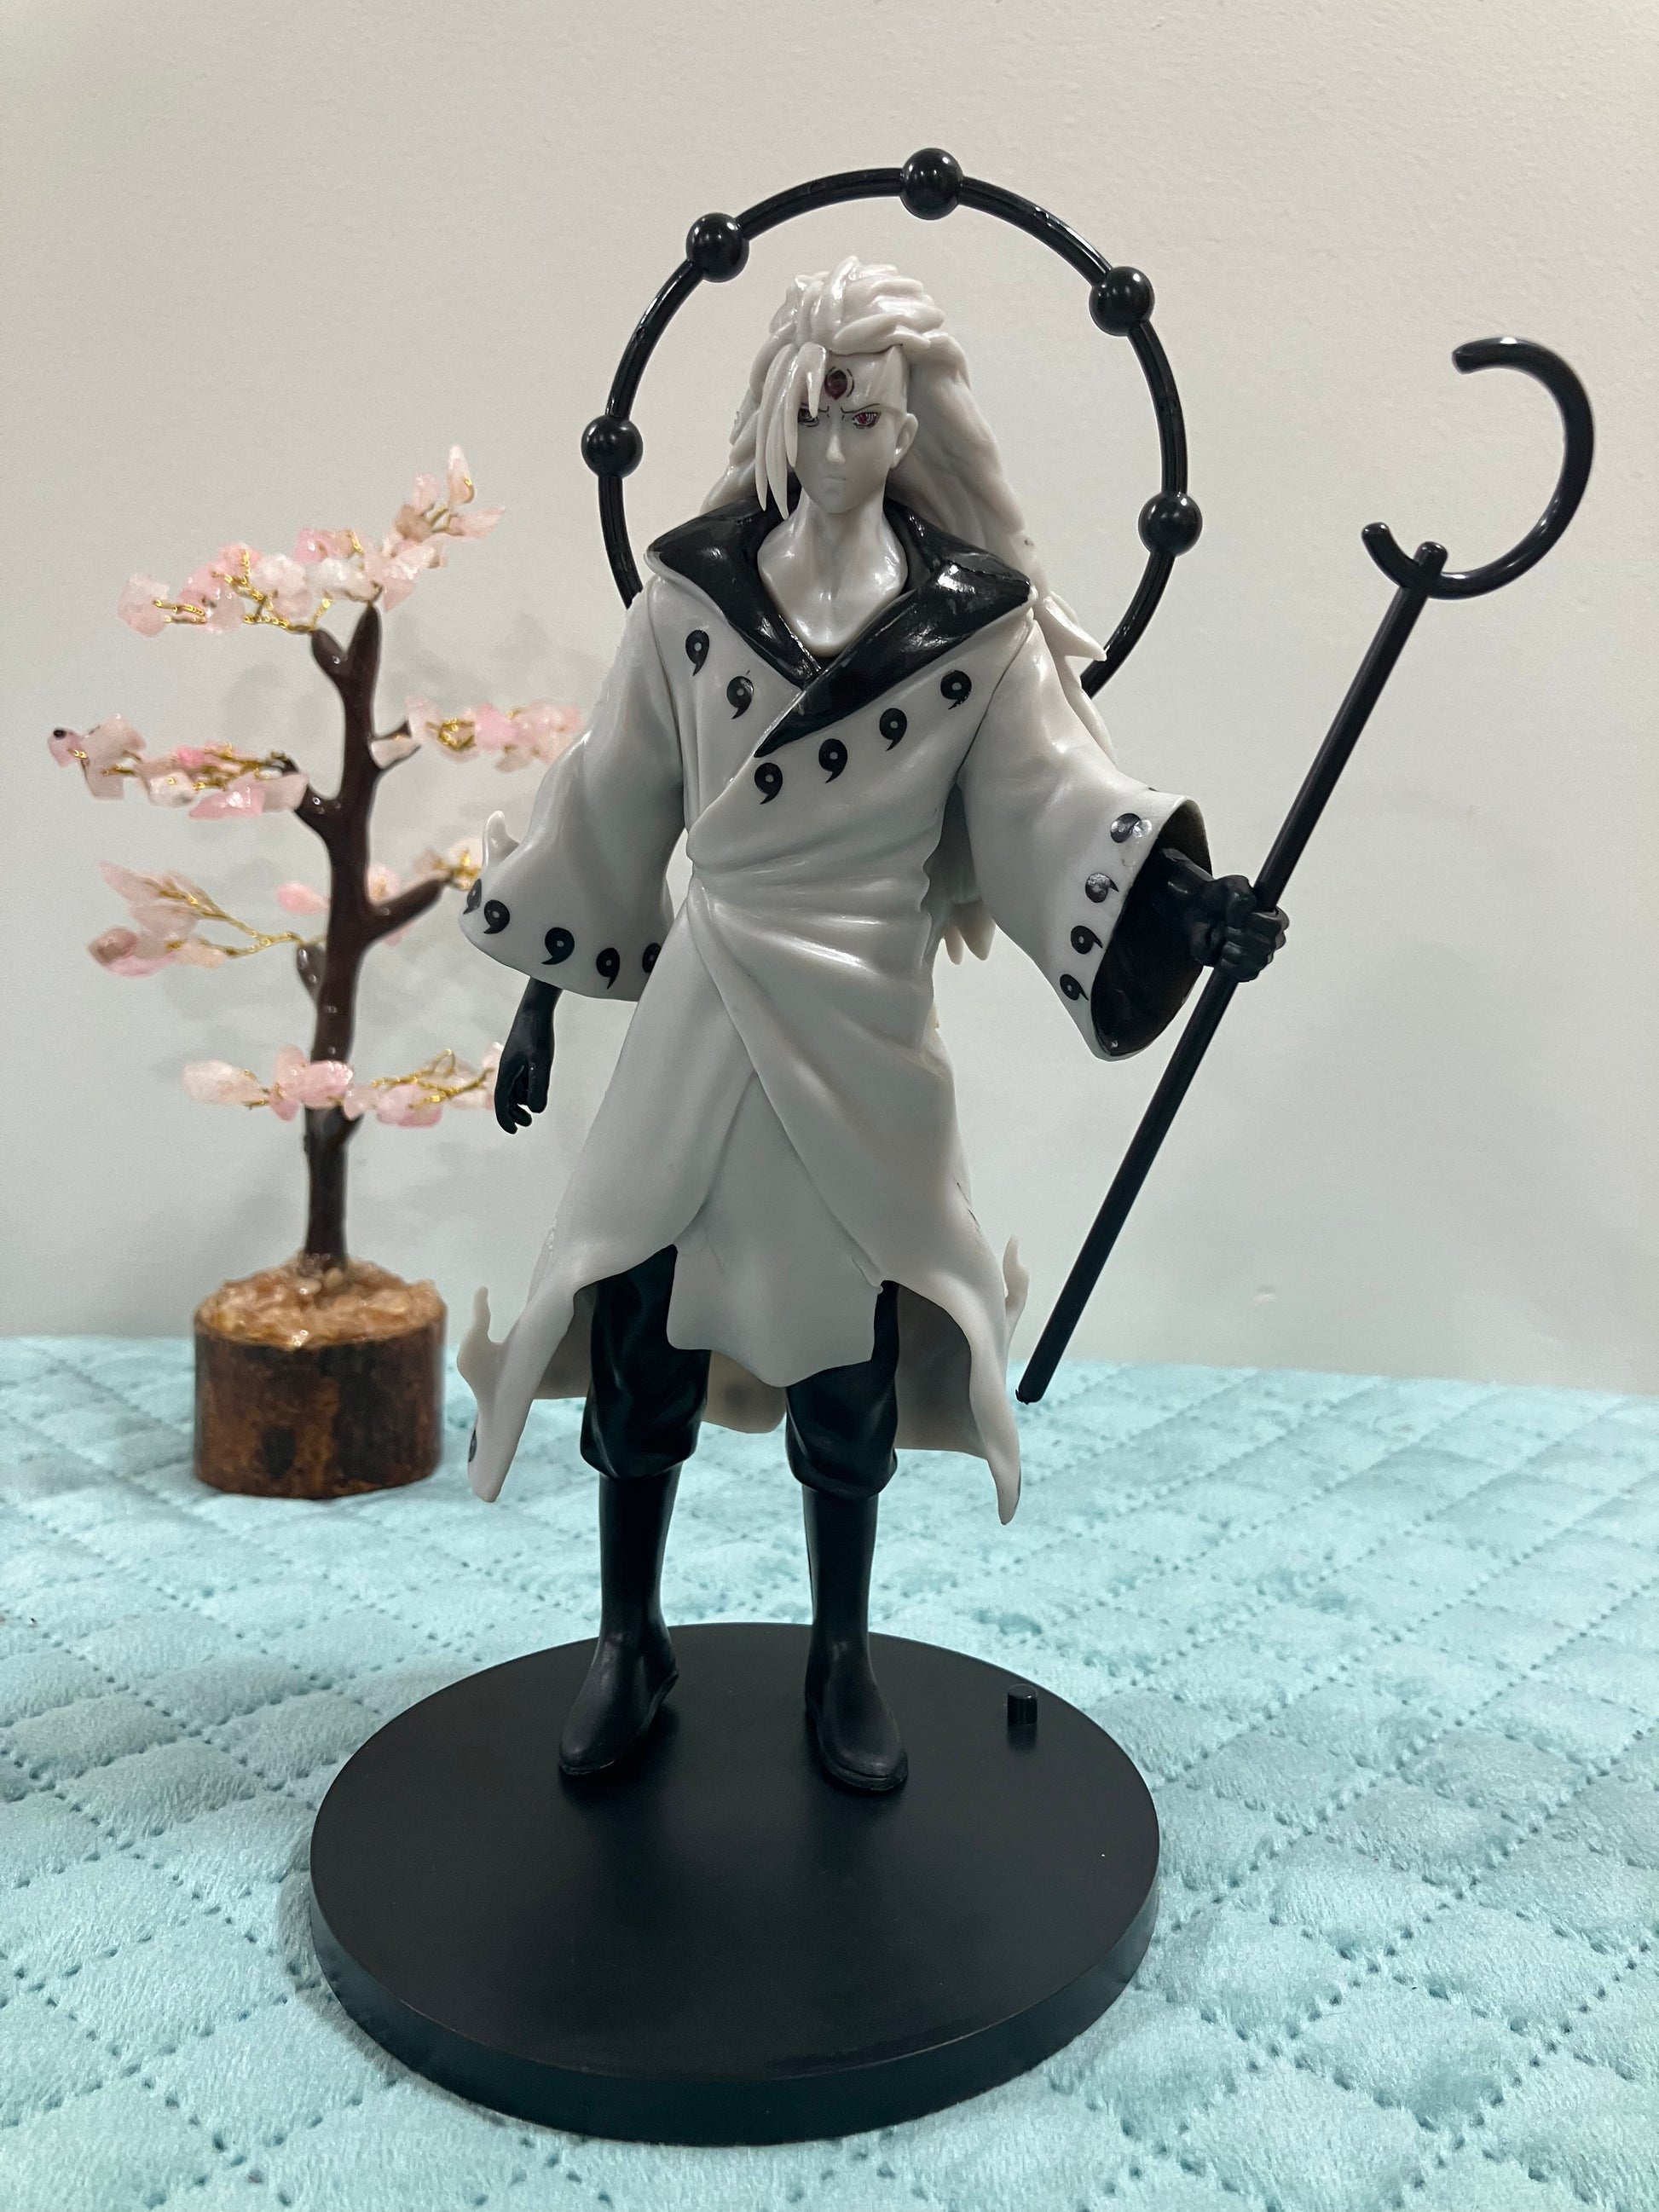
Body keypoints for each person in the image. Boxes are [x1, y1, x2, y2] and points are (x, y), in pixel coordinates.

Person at [458, 257, 1286, 1793]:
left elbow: (1050, 800)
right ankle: (627, 1637)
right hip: (707, 1001)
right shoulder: (689, 594)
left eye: (868, 418)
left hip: (862, 1014)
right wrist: (539, 997)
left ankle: (841, 1653)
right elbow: (611, 797)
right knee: (638, 1316)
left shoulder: (974, 624)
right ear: (775, 411)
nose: (839, 444)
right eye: (817, 412)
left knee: (849, 1351)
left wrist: (1183, 906)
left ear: (912, 428)